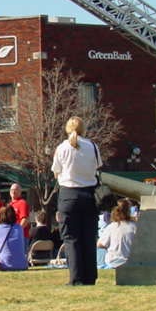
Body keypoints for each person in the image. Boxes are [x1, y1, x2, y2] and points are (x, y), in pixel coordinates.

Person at [51, 116, 102, 286]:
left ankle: (76, 277)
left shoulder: (62, 148)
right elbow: (96, 168)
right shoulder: (93, 147)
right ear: (83, 129)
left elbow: (56, 171)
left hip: (68, 194)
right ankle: (90, 277)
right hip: (89, 194)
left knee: (71, 238)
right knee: (88, 236)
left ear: (67, 129)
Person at [97, 199, 137, 269]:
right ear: (129, 211)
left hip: (113, 262)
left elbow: (100, 244)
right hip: (131, 263)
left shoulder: (111, 227)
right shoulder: (135, 227)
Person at [9, 183, 31, 249]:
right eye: (12, 190)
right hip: (11, 236)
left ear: (20, 192)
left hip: (20, 236)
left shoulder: (22, 203)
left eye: (16, 189)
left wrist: (16, 233)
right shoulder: (9, 204)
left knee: (21, 258)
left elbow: (24, 220)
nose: (13, 191)